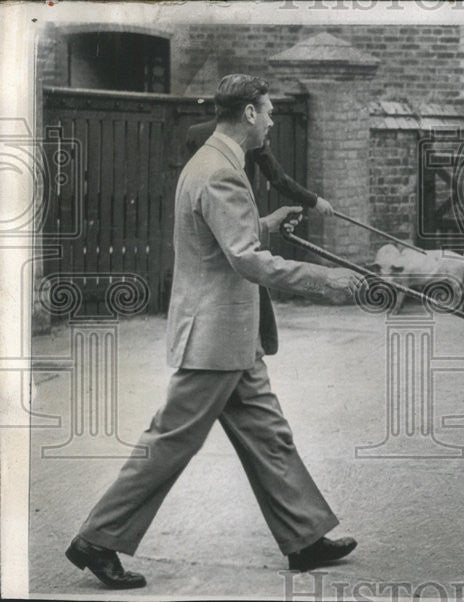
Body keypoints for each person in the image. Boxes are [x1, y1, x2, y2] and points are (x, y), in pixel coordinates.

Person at [65, 74, 357, 589]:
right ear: (248, 113)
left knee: (271, 438)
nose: (270, 121)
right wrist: (327, 280)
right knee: (171, 441)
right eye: (266, 112)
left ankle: (305, 537)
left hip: (231, 338)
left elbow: (218, 234)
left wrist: (266, 222)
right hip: (215, 340)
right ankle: (97, 539)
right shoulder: (221, 171)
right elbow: (244, 259)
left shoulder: (211, 162)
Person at [184, 117, 336, 217]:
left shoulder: (195, 132)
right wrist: (314, 201)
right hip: (238, 211)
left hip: (202, 210)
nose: (270, 122)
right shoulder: (252, 137)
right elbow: (278, 178)